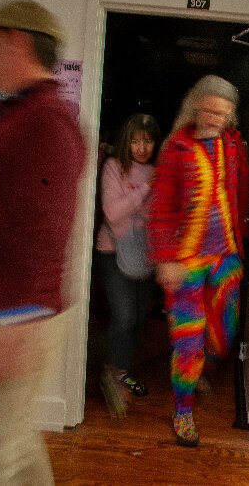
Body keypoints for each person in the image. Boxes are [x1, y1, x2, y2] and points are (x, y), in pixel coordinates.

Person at [0, 0, 85, 485]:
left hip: (16, 312)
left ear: (18, 41)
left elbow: (47, 226)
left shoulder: (45, 121)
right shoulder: (26, 114)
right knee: (13, 439)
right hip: (5, 306)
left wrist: (14, 320)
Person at [148, 75, 249, 447]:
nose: (213, 118)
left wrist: (241, 245)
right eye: (208, 110)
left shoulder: (231, 145)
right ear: (195, 107)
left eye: (221, 113)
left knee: (224, 334)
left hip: (225, 258)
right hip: (185, 262)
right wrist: (165, 260)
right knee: (189, 343)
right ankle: (183, 409)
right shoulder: (176, 148)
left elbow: (239, 194)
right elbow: (159, 209)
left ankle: (197, 369)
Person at [94, 113, 161, 407]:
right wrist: (146, 190)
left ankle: (119, 368)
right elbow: (112, 212)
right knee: (124, 316)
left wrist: (136, 210)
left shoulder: (159, 171)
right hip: (112, 251)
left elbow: (156, 218)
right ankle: (115, 372)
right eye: (135, 141)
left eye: (147, 141)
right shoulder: (113, 167)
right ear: (126, 142)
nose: (141, 148)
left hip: (146, 255)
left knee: (140, 317)